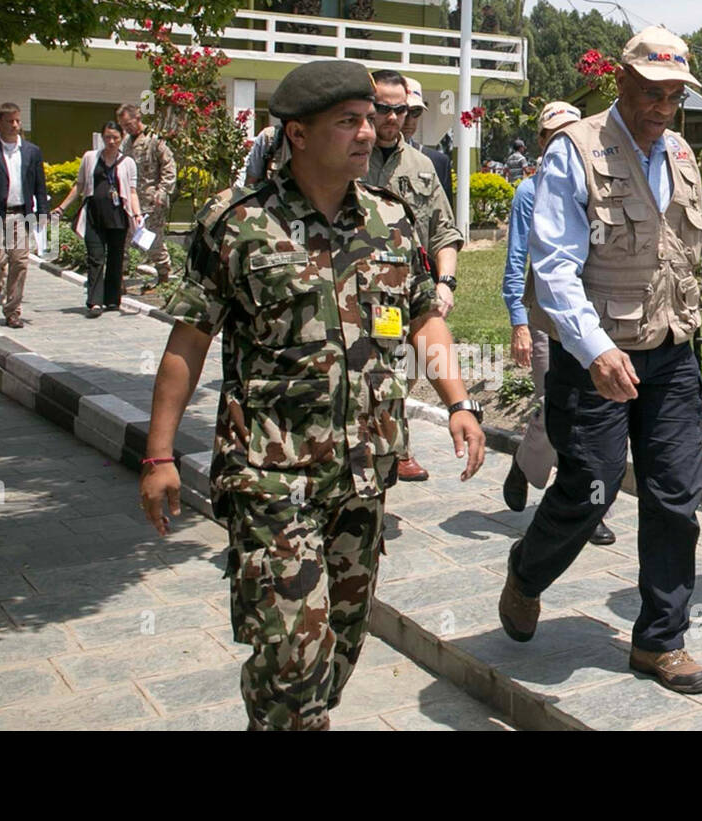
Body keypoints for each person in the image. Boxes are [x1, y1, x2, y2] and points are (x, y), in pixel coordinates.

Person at [138, 60, 486, 730]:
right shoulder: (236, 225)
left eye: (372, 118)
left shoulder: (390, 221)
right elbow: (188, 343)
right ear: (297, 134)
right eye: (348, 121)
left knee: (340, 645)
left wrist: (459, 402)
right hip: (271, 481)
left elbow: (423, 316)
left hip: (362, 481)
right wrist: (158, 457)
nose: (369, 132)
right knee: (293, 653)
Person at [498, 26, 702, 694]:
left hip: (671, 352)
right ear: (619, 81)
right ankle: (527, 572)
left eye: (674, 94)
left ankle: (660, 640)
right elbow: (555, 268)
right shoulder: (576, 150)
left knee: (675, 494)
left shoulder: (680, 152)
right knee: (589, 489)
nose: (663, 105)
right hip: (594, 356)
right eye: (651, 90)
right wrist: (594, 350)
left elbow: (685, 253)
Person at [500, 100, 615, 547]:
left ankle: (590, 506)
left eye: (573, 130)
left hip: (601, 319)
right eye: (554, 134)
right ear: (543, 142)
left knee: (597, 415)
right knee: (556, 406)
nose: (564, 141)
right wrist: (518, 322)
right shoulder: (529, 192)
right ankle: (530, 466)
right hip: (548, 320)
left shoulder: (602, 182)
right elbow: (517, 260)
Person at [363, 68, 464, 482]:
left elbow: (444, 230)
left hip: (408, 294)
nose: (390, 118)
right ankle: (365, 447)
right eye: (382, 109)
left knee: (401, 371)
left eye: (398, 109)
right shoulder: (349, 157)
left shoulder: (423, 165)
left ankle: (397, 447)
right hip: (353, 292)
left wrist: (446, 281)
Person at [0, 102, 49, 329]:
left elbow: (39, 185)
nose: (14, 125)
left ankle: (13, 310)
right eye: (10, 121)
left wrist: (42, 211)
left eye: (17, 121)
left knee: (20, 261)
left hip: (19, 214)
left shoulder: (31, 151)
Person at [51, 121, 145, 317]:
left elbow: (133, 192)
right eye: (108, 137)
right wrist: (61, 207)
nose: (111, 141)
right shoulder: (90, 157)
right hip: (94, 214)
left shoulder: (128, 163)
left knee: (115, 258)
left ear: (121, 139)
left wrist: (137, 214)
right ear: (102, 138)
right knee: (95, 257)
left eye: (115, 138)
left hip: (118, 216)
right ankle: (94, 301)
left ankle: (112, 300)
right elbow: (80, 185)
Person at [117, 103, 176, 291]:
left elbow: (169, 167)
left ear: (137, 118)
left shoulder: (154, 140)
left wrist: (163, 191)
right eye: (123, 125)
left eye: (128, 124)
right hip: (130, 202)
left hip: (151, 203)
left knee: (153, 242)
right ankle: (119, 280)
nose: (126, 128)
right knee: (123, 240)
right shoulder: (126, 143)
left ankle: (164, 275)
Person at [401, 77, 452, 199]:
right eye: (403, 111)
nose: (409, 120)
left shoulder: (437, 163)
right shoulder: (363, 159)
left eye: (416, 112)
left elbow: (444, 215)